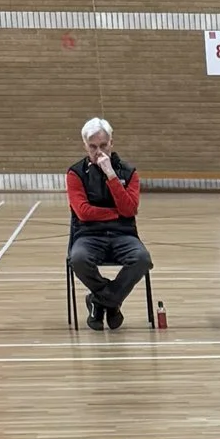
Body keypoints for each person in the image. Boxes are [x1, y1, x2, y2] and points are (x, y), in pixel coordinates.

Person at [67, 117, 150, 328]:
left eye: (103, 145)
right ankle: (112, 302)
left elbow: (130, 210)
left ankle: (98, 300)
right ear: (85, 146)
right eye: (93, 147)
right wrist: (116, 213)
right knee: (78, 259)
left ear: (111, 143)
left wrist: (111, 175)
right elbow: (84, 213)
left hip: (123, 234)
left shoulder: (129, 173)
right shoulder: (75, 174)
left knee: (141, 259)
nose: (99, 151)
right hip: (88, 235)